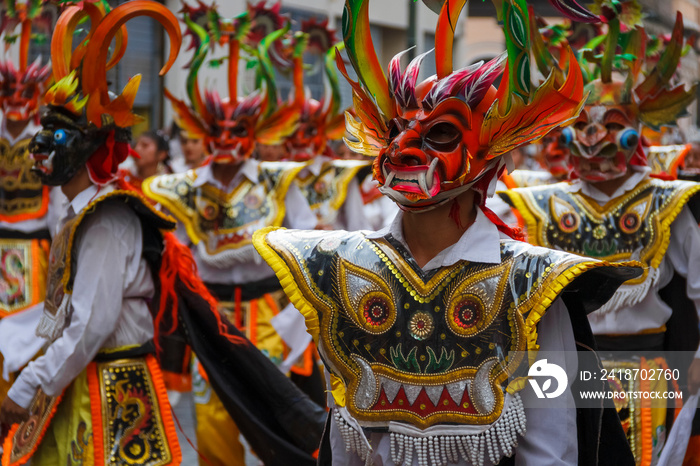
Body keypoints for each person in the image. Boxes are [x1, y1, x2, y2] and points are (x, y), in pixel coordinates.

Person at [252, 0, 638, 464]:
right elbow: (344, 442)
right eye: (396, 129)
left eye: (440, 134)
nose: (404, 144)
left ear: (488, 158)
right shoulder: (344, 268)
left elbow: (550, 449)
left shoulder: (529, 286)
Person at [499, 6, 700, 463]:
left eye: (611, 125)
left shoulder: (665, 203)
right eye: (582, 125)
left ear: (637, 132)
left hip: (644, 368)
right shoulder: (538, 201)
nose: (594, 138)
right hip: (555, 367)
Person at [0, 2, 184, 464]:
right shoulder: (73, 214)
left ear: (89, 148)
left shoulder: (106, 220)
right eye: (43, 134)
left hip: (112, 390)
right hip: (79, 379)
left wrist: (27, 384)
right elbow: (61, 316)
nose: (39, 147)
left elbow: (89, 325)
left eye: (56, 138)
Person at [142, 3, 317, 464]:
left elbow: (307, 244)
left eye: (235, 129)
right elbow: (175, 251)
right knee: (214, 415)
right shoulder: (184, 188)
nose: (223, 140)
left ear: (254, 131)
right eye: (213, 129)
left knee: (279, 413)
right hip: (213, 313)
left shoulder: (278, 181)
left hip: (268, 313)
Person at [0, 0, 63, 412]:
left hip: (35, 257)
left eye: (25, 90)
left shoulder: (49, 139)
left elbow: (59, 210)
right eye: (8, 90)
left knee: (30, 351)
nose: (16, 99)